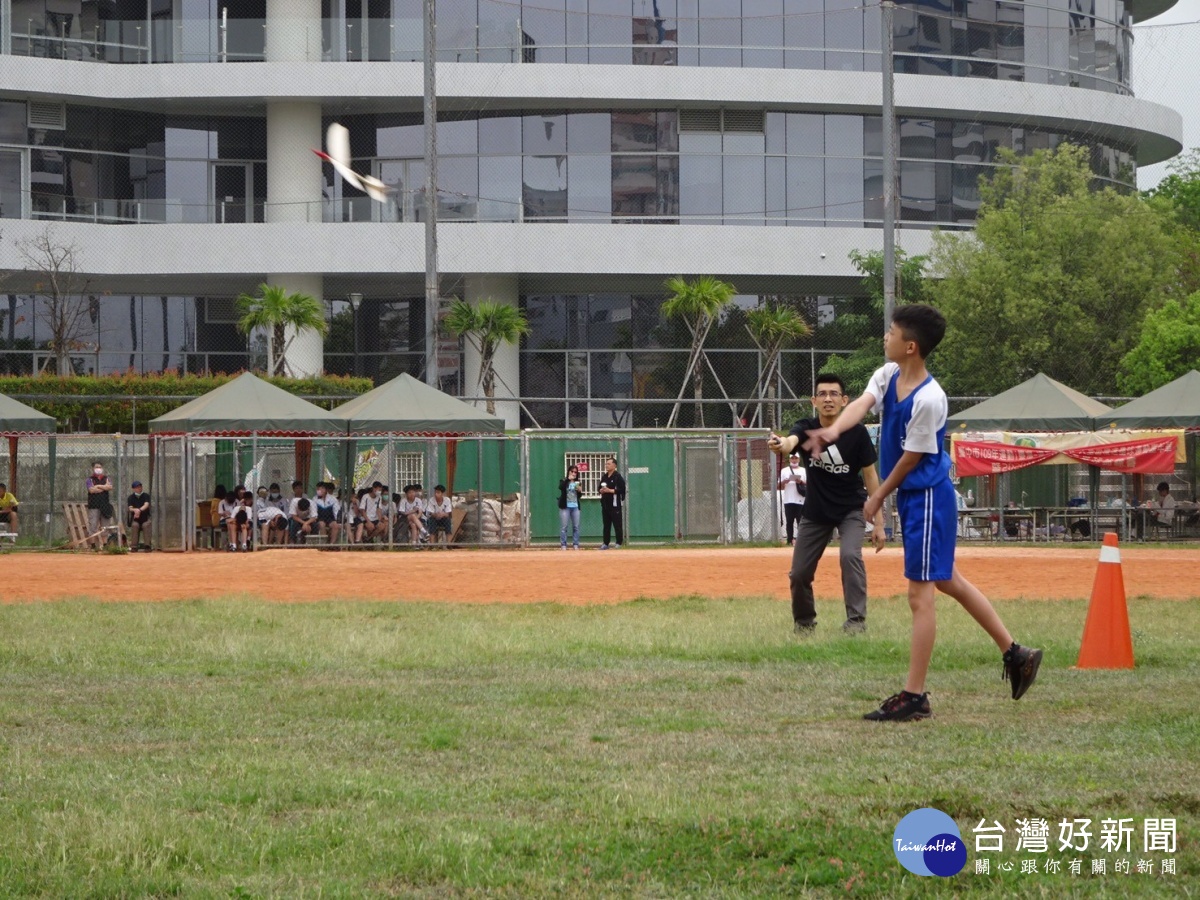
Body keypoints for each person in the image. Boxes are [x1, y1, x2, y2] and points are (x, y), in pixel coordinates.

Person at [798, 304, 1042, 722]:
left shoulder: (930, 398)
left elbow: (912, 458)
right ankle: (1016, 653)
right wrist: (832, 430)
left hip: (927, 499)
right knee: (948, 580)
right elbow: (862, 404)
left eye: (890, 332)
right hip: (916, 499)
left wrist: (877, 499)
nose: (885, 337)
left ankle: (914, 696)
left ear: (910, 346)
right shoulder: (890, 374)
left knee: (920, 595)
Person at [769, 372, 885, 636]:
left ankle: (856, 622)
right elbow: (791, 442)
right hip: (816, 511)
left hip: (851, 510)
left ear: (845, 400)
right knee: (798, 573)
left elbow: (870, 476)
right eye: (822, 394)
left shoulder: (857, 434)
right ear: (814, 400)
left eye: (834, 394)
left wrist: (878, 522)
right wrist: (781, 444)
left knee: (850, 556)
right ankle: (804, 623)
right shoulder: (806, 426)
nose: (828, 399)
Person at [777, 452, 807, 546]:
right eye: (792, 458)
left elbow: (809, 483)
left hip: (800, 499)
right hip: (788, 499)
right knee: (789, 521)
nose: (794, 460)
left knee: (800, 521)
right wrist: (785, 481)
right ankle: (789, 540)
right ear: (790, 459)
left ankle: (801, 541)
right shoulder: (784, 470)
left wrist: (800, 481)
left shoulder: (803, 470)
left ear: (799, 459)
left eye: (796, 458)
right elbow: (778, 486)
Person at [85, 461, 116, 549]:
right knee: (93, 525)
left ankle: (105, 545)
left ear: (102, 468)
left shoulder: (106, 478)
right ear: (93, 469)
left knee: (105, 526)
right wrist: (103, 487)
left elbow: (109, 487)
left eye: (99, 467)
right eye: (96, 467)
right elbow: (91, 490)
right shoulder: (89, 479)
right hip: (94, 505)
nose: (98, 469)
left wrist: (98, 486)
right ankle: (93, 545)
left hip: (104, 505)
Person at [598, 457, 626, 549]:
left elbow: (622, 490)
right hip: (605, 505)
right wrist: (601, 490)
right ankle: (606, 543)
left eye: (609, 464)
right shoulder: (604, 477)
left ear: (614, 465)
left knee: (617, 524)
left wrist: (610, 490)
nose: (606, 465)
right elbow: (599, 488)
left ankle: (619, 543)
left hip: (615, 505)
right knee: (606, 525)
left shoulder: (618, 477)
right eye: (606, 464)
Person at [557, 464, 584, 550]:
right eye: (572, 471)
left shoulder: (578, 482)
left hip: (575, 506)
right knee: (564, 527)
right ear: (568, 472)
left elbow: (579, 496)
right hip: (565, 507)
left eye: (575, 472)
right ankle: (563, 545)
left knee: (576, 527)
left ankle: (575, 544)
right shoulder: (564, 481)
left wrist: (579, 491)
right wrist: (568, 479)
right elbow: (560, 487)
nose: (574, 473)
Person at [126, 479, 151, 551]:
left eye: (140, 486)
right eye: (137, 487)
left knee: (145, 525)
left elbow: (146, 504)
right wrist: (135, 510)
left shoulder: (146, 495)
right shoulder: (131, 497)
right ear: (133, 489)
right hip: (136, 519)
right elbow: (130, 508)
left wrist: (139, 510)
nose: (139, 488)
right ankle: (134, 546)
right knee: (134, 525)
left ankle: (147, 546)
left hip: (145, 518)